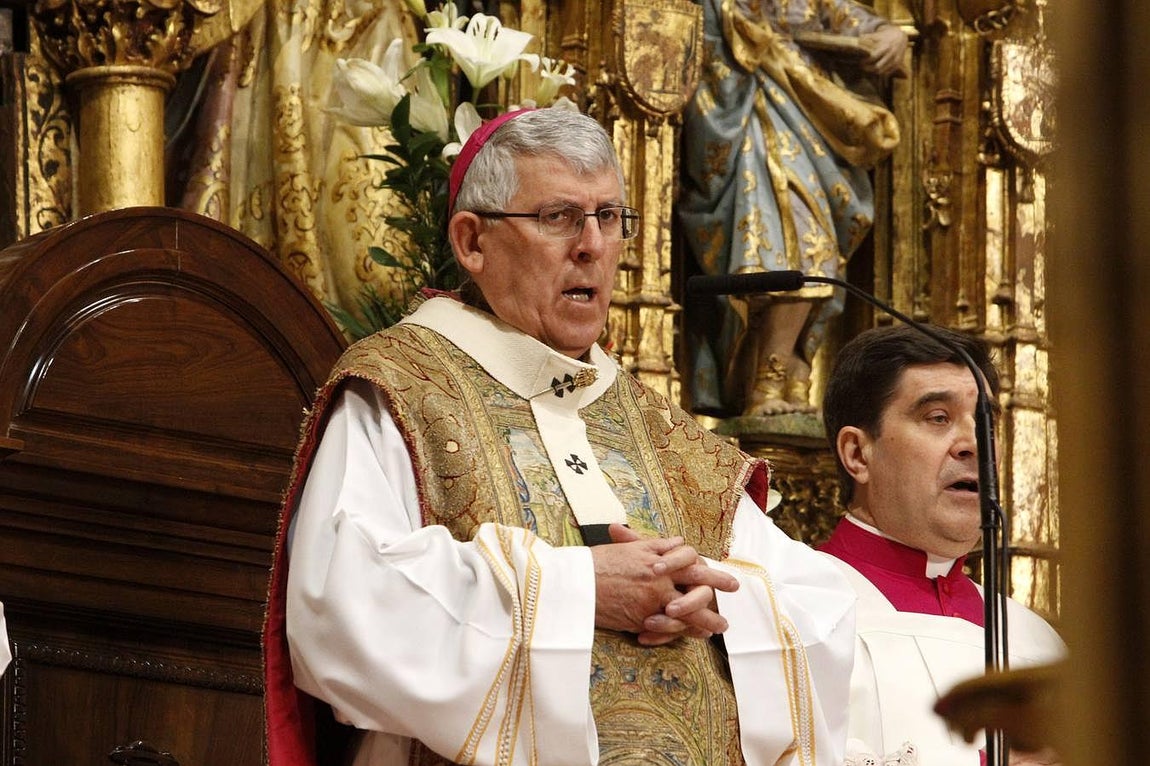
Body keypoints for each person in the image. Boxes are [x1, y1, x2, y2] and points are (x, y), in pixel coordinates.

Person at [263, 107, 858, 765]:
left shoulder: (664, 432)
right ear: (472, 242)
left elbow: (820, 606)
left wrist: (712, 595)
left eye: (609, 217)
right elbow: (342, 603)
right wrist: (579, 590)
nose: (593, 245)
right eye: (558, 217)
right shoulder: (401, 389)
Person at [818, 324, 1067, 765]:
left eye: (986, 421)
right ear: (857, 453)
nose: (975, 444)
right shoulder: (788, 609)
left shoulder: (1037, 644)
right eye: (938, 417)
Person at [679, 0, 905, 416]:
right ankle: (766, 383)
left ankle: (794, 379)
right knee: (788, 249)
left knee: (815, 252)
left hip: (811, 116)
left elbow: (849, 18)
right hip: (752, 117)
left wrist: (890, 34)